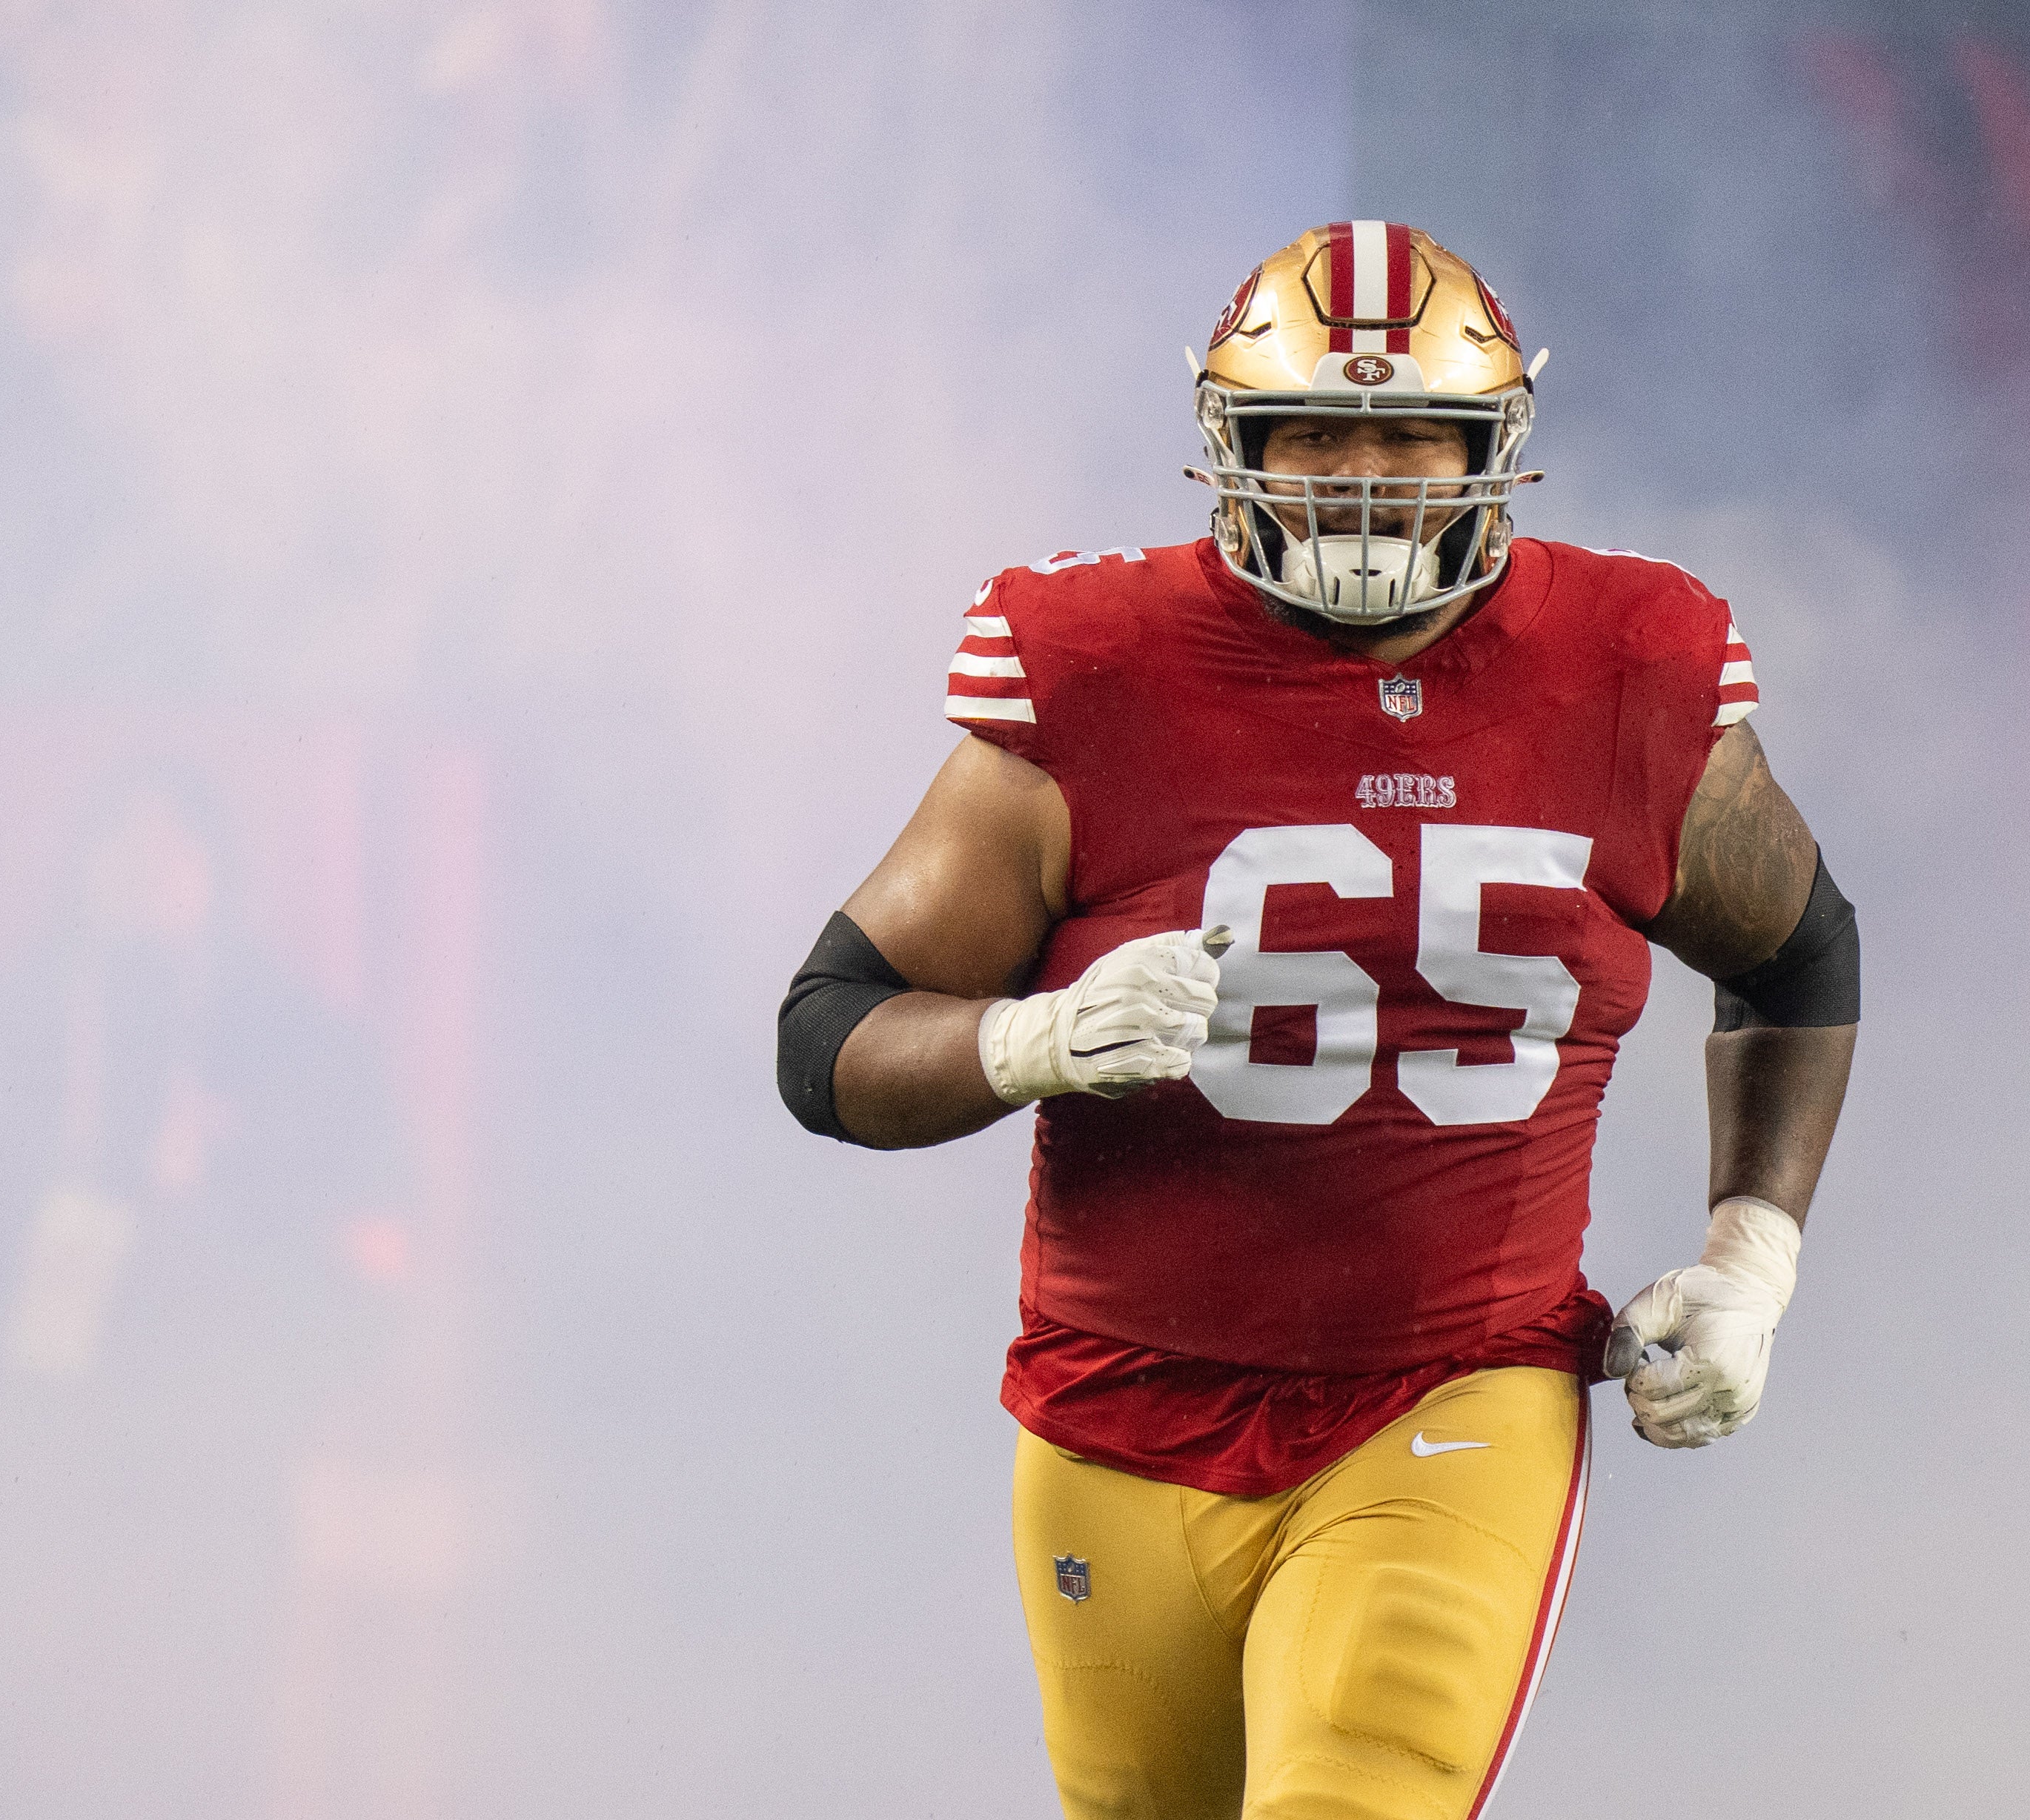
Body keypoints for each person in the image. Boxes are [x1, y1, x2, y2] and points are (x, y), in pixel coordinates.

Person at [777, 221, 1858, 1820]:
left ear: (1494, 450)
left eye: (1411, 437)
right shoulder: (1098, 667)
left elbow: (1798, 959)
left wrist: (1751, 1259)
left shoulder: (1630, 666)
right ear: (1235, 448)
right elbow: (829, 1034)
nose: (1362, 480)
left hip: (1456, 1386)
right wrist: (1029, 1042)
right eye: (1312, 435)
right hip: (1118, 1406)